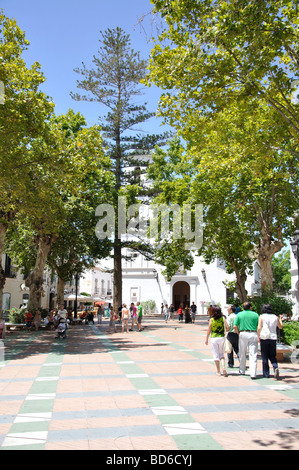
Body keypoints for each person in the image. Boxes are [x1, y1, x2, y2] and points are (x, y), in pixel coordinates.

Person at [233, 301, 259, 379]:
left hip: (243, 333)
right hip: (253, 333)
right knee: (253, 354)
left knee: (242, 352)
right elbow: (259, 326)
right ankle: (253, 373)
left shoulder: (239, 314)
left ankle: (242, 370)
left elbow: (235, 326)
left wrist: (238, 333)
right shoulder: (256, 315)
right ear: (250, 307)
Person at [257, 304, 283, 379]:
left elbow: (259, 327)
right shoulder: (275, 317)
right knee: (272, 355)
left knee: (264, 356)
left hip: (264, 337)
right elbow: (280, 327)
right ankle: (275, 367)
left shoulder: (261, 316)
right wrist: (280, 319)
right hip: (273, 338)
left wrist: (258, 335)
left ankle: (266, 374)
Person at [205, 306, 229, 376]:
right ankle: (223, 367)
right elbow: (227, 327)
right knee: (221, 354)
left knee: (215, 354)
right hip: (221, 337)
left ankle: (218, 371)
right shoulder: (223, 318)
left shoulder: (211, 320)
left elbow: (209, 329)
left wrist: (206, 338)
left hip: (214, 338)